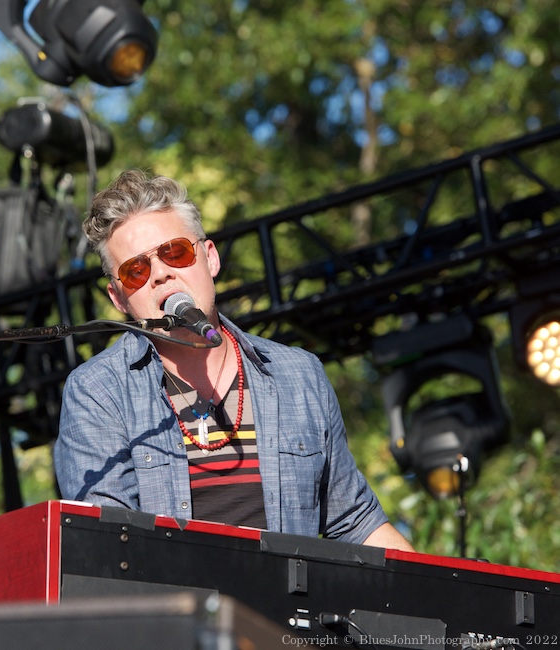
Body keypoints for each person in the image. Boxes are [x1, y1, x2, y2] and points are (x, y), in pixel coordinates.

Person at [54, 169, 414, 550]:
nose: (160, 274)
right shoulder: (98, 392)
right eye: (135, 271)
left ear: (209, 258)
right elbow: (106, 546)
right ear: (118, 299)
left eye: (174, 252)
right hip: (178, 608)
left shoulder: (298, 376)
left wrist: (442, 598)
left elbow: (356, 523)